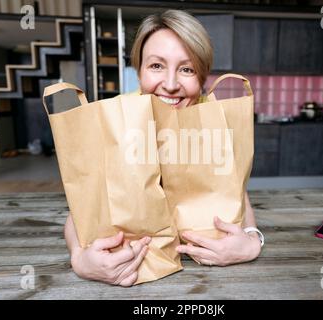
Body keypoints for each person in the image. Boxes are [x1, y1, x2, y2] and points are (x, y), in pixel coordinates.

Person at [64, 9, 262, 287]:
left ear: (202, 76)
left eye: (187, 69)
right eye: (156, 66)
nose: (170, 85)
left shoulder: (214, 116)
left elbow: (236, 191)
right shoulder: (118, 118)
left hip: (212, 275)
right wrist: (79, 258)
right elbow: (84, 207)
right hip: (139, 271)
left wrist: (253, 241)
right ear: (139, 69)